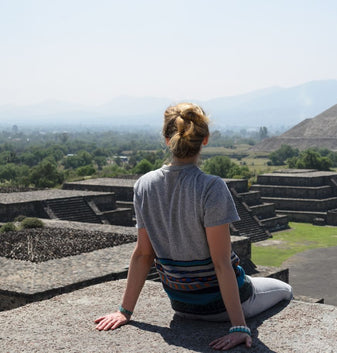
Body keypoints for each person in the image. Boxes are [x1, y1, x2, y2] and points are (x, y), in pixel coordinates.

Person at [95, 103, 292, 350]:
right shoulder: (211, 187)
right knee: (285, 289)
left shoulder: (143, 185)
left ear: (167, 140)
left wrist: (125, 311)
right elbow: (221, 263)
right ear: (205, 140)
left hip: (182, 306)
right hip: (222, 308)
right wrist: (239, 327)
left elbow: (143, 254)